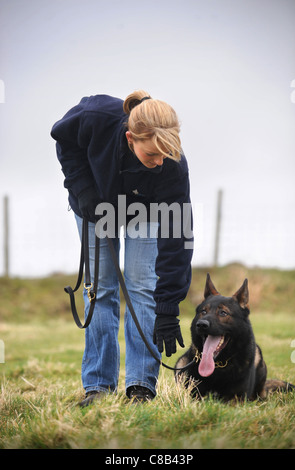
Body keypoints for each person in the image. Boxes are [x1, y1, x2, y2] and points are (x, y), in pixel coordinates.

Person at [51, 90, 193, 406]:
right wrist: (83, 189)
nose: (159, 163)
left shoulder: (172, 167)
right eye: (151, 155)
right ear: (131, 138)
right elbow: (64, 140)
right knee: (100, 290)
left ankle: (140, 387)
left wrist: (169, 305)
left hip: (145, 210)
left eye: (164, 156)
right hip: (94, 203)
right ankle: (98, 387)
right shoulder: (95, 116)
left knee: (142, 288)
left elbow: (177, 239)